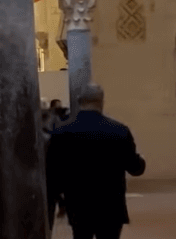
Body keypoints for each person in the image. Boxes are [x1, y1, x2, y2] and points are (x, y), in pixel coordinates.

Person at [48, 84, 145, 239]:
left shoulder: (62, 132)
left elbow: (53, 171)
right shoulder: (119, 130)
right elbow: (135, 168)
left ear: (79, 102)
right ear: (101, 102)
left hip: (78, 204)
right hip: (111, 205)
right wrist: (141, 160)